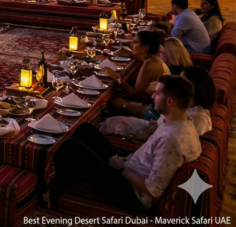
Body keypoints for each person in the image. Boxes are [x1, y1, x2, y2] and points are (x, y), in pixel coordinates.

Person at [53, 75, 202, 212]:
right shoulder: (182, 123)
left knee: (71, 146)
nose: (152, 96)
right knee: (85, 130)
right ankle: (72, 179)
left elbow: (153, 189)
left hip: (132, 193)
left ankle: (53, 197)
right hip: (130, 167)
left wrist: (121, 169)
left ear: (170, 102)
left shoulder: (172, 140)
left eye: (157, 93)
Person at [105, 31, 168, 117]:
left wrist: (118, 78)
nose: (131, 45)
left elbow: (136, 95)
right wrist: (130, 54)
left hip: (154, 109)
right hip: (156, 102)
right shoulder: (153, 58)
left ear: (145, 48)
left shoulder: (149, 65)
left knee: (114, 102)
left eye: (135, 42)